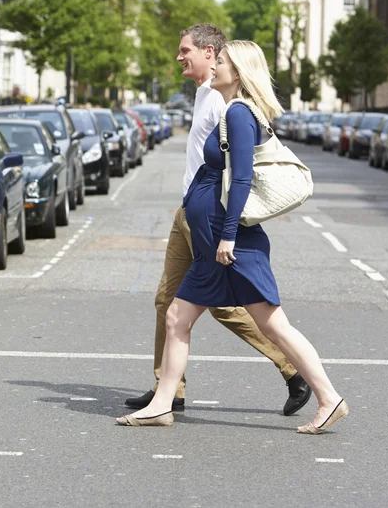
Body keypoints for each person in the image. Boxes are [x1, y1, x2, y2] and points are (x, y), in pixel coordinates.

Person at [117, 40, 348, 433]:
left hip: (230, 241)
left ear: (238, 71)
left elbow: (241, 178)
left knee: (275, 325)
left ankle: (329, 398)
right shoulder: (230, 109)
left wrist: (227, 238)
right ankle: (162, 403)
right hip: (214, 238)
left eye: (220, 61)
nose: (214, 66)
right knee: (176, 315)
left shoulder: (240, 113)